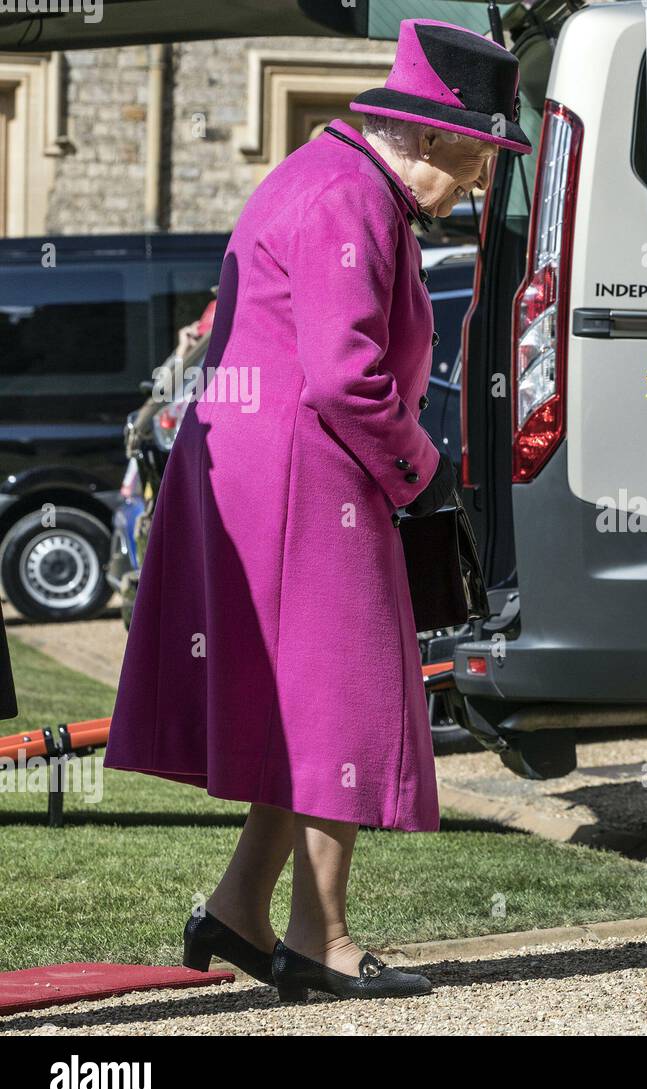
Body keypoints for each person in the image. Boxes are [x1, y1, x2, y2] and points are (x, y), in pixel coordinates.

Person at [103, 18, 532, 1003]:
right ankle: (320, 938)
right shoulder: (355, 197)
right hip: (310, 477)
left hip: (264, 473)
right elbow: (347, 380)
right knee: (347, 701)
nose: (473, 185)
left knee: (298, 708)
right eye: (474, 162)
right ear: (427, 137)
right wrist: (426, 473)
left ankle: (242, 909)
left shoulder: (317, 170)